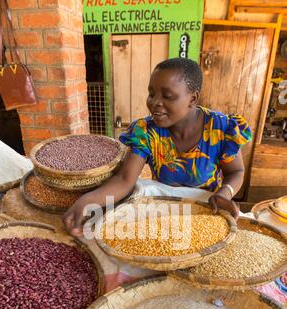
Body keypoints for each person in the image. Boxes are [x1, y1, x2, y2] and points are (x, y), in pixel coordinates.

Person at [64, 58, 252, 236]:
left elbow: (236, 172)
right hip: (162, 210)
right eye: (152, 94)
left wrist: (225, 193)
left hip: (207, 211)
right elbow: (124, 179)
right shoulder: (146, 131)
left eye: (168, 96)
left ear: (193, 99)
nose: (155, 102)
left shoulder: (220, 128)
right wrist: (88, 201)